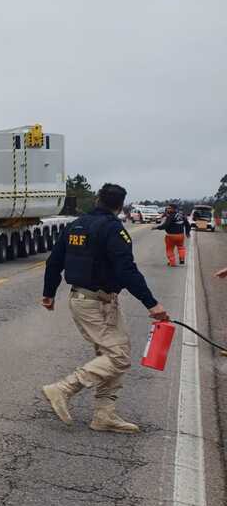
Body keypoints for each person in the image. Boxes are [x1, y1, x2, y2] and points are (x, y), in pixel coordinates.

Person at [40, 183, 169, 433]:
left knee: (115, 353)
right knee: (118, 357)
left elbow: (54, 261)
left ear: (98, 199)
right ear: (120, 206)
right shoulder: (113, 229)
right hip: (94, 303)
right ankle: (63, 389)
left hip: (92, 300)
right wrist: (151, 304)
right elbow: (126, 270)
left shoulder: (75, 225)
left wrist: (49, 293)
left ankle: (104, 415)